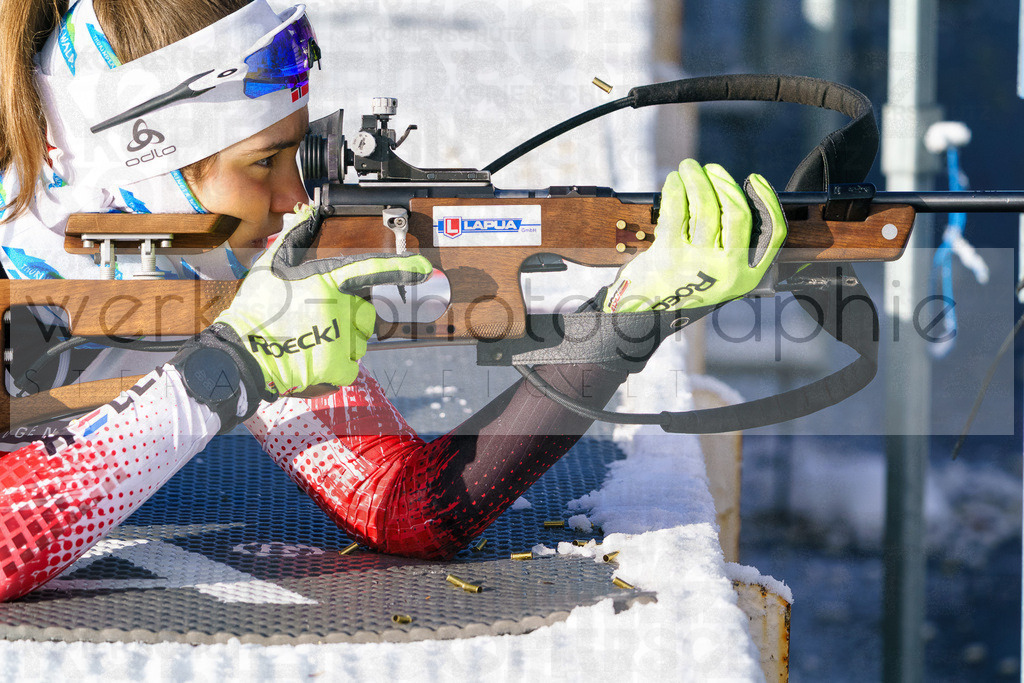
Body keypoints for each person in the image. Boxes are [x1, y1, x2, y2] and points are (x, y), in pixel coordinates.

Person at [0, 0, 787, 602]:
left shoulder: (215, 273)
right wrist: (225, 372)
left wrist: (628, 320)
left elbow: (410, 509)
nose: (294, 197)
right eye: (265, 162)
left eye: (299, 150)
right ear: (131, 164)